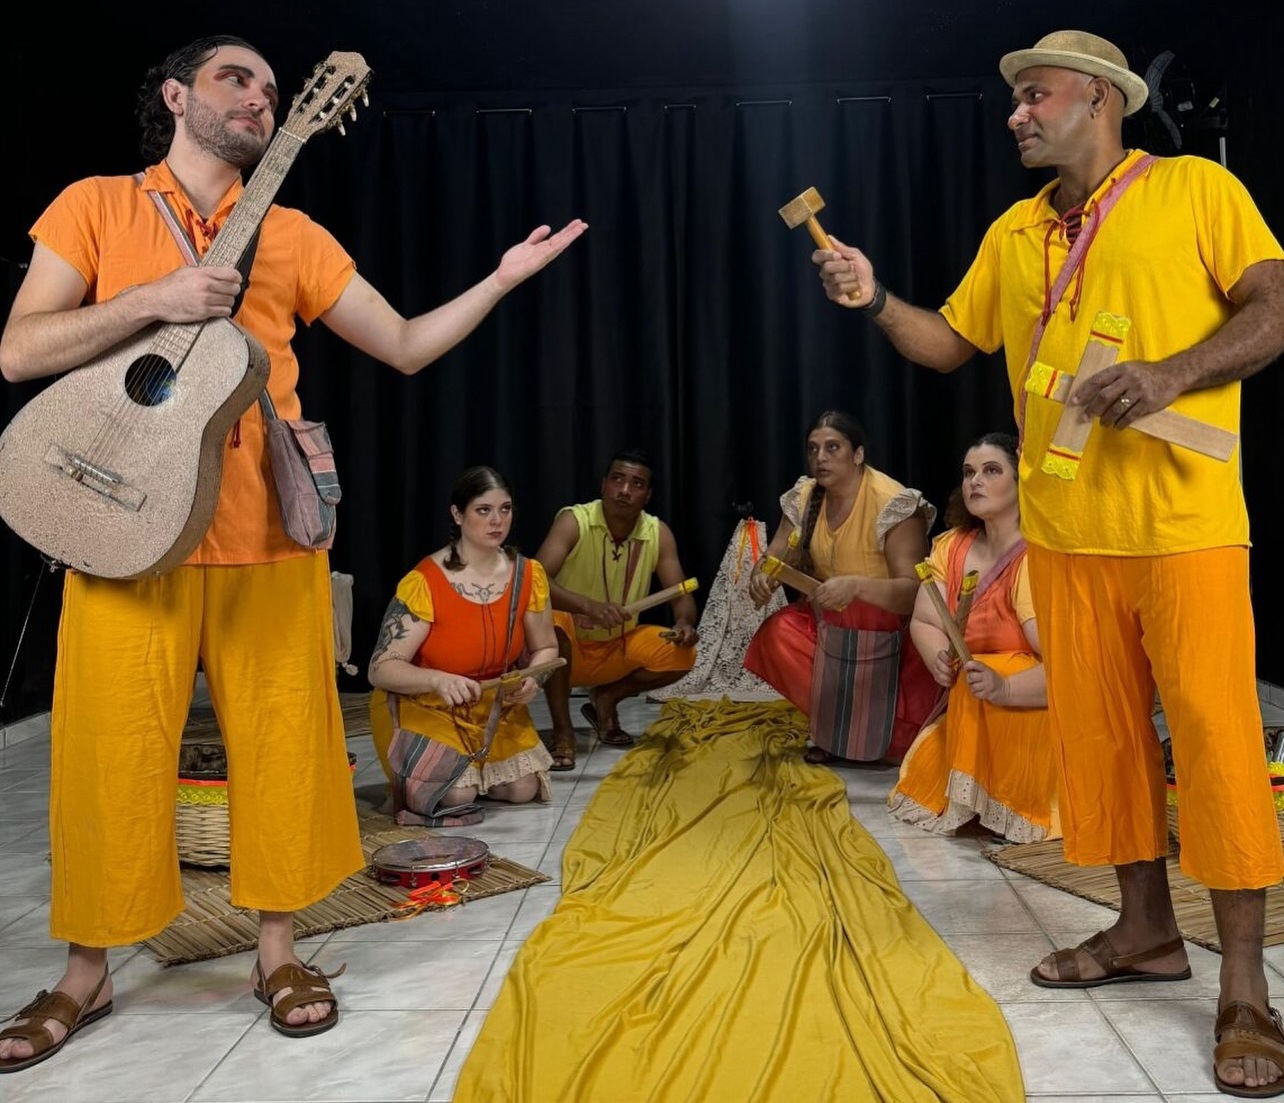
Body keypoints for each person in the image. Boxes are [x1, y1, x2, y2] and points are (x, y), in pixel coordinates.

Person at [0, 35, 585, 1070]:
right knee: (106, 757)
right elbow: (18, 348)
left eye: (273, 90)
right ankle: (87, 971)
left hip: (270, 537)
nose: (260, 98)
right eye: (237, 78)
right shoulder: (94, 205)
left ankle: (279, 952)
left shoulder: (294, 233)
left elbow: (403, 344)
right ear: (175, 95)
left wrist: (500, 280)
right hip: (122, 533)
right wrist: (152, 301)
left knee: (285, 753)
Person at [813, 29, 1284, 1096]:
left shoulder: (1194, 190)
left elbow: (1272, 308)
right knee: (1104, 745)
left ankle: (1246, 988)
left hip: (1184, 527)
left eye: (1038, 95)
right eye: (1016, 99)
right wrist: (874, 299)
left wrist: (1172, 372)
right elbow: (949, 344)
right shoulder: (1015, 231)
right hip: (1065, 539)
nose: (1017, 113)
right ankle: (1145, 930)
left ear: (1102, 100)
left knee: (1216, 744)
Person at [888, 432, 1059, 842]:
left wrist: (1006, 687)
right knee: (970, 677)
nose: (975, 482)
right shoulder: (952, 546)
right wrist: (939, 658)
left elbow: (1068, 666)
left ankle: (1017, 799)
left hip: (1035, 701)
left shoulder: (1037, 556)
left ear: (1021, 482)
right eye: (968, 473)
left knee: (986, 671)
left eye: (991, 471)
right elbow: (925, 620)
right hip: (975, 694)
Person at [742, 410, 939, 764]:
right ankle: (838, 730)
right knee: (777, 634)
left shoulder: (893, 502)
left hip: (889, 632)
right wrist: (762, 575)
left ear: (858, 454)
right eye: (813, 449)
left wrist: (857, 587)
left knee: (862, 617)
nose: (820, 457)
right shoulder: (804, 496)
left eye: (833, 447)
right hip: (830, 624)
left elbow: (915, 593)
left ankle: (878, 738)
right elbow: (773, 556)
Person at [366, 467, 557, 825]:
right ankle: (454, 776)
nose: (497, 521)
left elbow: (546, 647)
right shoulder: (425, 580)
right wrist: (438, 680)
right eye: (484, 510)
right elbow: (381, 668)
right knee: (455, 795)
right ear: (457, 514)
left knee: (523, 789)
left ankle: (472, 772)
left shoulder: (528, 574)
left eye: (505, 509)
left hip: (491, 706)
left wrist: (534, 678)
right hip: (428, 705)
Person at [534, 449, 698, 770]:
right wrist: (587, 606)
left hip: (615, 648)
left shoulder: (658, 533)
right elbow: (535, 582)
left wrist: (684, 622)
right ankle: (563, 733)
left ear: (647, 495)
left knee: (683, 652)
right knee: (552, 627)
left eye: (637, 484)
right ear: (603, 485)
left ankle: (607, 698)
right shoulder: (574, 521)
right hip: (563, 650)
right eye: (618, 479)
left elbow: (681, 596)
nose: (625, 490)